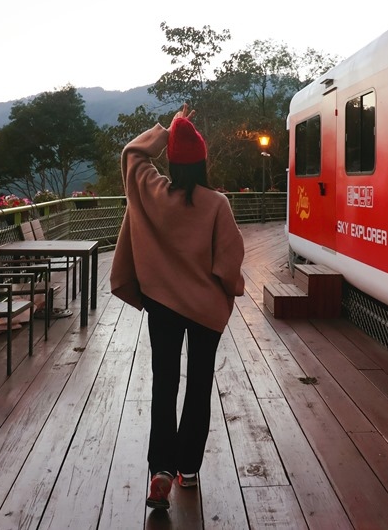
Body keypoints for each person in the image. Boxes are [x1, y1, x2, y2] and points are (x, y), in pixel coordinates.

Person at [111, 103, 246, 511]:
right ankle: (188, 468)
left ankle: (161, 470)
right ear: (203, 162)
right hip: (205, 311)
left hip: (163, 307)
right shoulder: (217, 204)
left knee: (164, 382)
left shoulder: (152, 193)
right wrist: (230, 291)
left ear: (171, 161)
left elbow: (132, 154)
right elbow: (229, 265)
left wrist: (168, 130)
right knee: (199, 384)